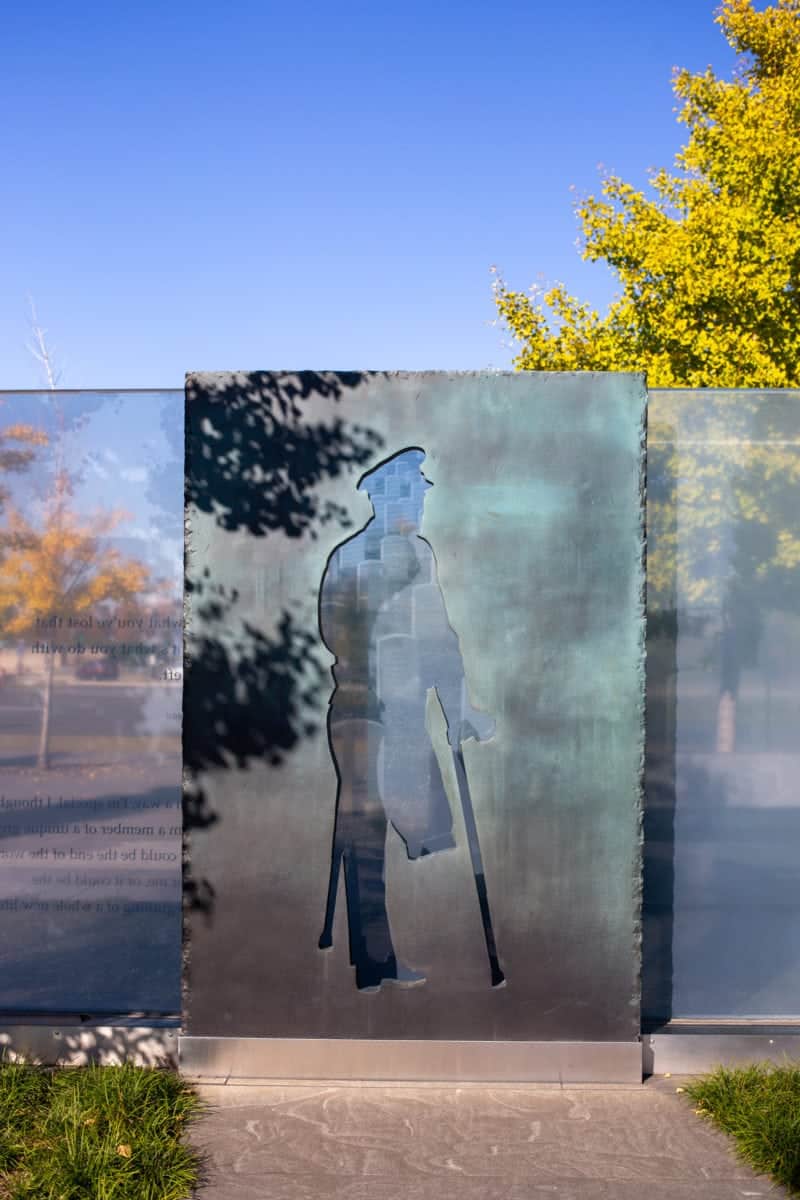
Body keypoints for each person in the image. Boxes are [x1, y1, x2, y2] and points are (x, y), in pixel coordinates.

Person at [318, 447, 495, 992]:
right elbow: (338, 634)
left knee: (375, 829)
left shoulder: (419, 554)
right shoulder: (350, 558)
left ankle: (375, 961)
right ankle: (373, 963)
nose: (420, 502)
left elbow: (440, 637)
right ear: (384, 496)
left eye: (421, 494)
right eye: (412, 494)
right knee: (365, 832)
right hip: (362, 713)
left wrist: (460, 707)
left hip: (400, 714)